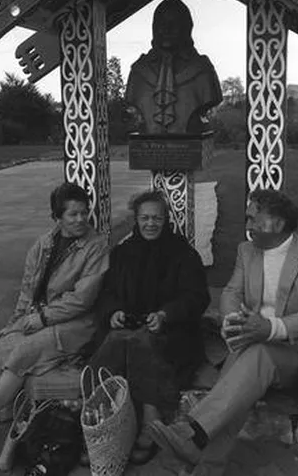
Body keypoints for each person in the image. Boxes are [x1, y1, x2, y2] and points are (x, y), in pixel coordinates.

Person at [148, 188, 298, 475]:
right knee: (241, 375)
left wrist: (271, 328)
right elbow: (231, 292)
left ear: (279, 223)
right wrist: (232, 320)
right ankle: (207, 461)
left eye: (253, 219)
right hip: (252, 351)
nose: (247, 226)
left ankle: (193, 431)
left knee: (256, 353)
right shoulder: (246, 251)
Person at [0, 182, 109, 446]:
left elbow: (82, 299)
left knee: (24, 351)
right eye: (73, 214)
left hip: (78, 323)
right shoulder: (43, 244)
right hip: (41, 317)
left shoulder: (96, 246)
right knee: (5, 343)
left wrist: (41, 318)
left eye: (84, 212)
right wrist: (15, 322)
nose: (81, 219)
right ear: (57, 218)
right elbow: (27, 291)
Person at [91, 190, 209, 464]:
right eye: (145, 218)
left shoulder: (183, 253)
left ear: (166, 219)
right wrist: (114, 312)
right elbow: (107, 293)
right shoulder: (122, 253)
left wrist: (166, 314)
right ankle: (105, 417)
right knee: (116, 341)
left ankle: (149, 420)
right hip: (130, 326)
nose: (150, 224)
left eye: (156, 218)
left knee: (145, 344)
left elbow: (197, 296)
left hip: (172, 329)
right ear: (136, 219)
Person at [125, 0, 223, 134]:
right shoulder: (139, 72)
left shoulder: (203, 71)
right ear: (154, 28)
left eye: (173, 24)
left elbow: (211, 98)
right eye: (161, 24)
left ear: (186, 28)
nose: (166, 29)